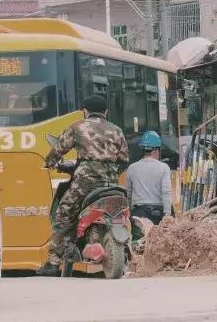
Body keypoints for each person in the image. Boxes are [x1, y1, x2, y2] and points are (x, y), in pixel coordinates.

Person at [36, 95, 128, 277]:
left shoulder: (78, 127)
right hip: (110, 184)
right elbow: (124, 160)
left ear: (85, 111)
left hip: (84, 184)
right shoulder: (117, 130)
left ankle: (53, 263)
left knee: (63, 215)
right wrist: (110, 173)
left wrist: (50, 163)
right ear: (106, 112)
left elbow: (58, 149)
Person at [124, 130, 173, 227]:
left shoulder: (132, 168)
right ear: (155, 150)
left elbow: (128, 194)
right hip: (158, 213)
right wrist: (167, 216)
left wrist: (129, 215)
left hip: (138, 214)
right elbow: (166, 193)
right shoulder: (164, 167)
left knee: (139, 240)